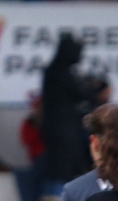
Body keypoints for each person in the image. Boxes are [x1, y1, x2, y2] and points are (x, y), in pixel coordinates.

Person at [41, 34, 97, 185]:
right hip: (62, 130)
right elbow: (81, 93)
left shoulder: (53, 71)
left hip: (59, 127)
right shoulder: (61, 73)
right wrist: (92, 87)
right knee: (61, 168)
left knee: (64, 166)